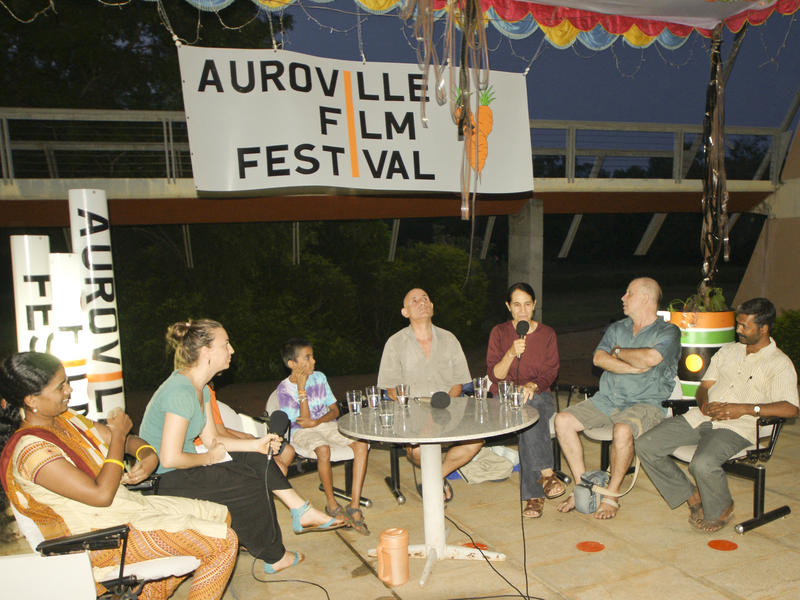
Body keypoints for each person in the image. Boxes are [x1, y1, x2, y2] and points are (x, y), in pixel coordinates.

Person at [0, 351, 237, 600]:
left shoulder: (65, 419)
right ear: (31, 400)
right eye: (60, 387)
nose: (69, 390)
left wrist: (147, 456)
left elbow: (128, 442)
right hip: (99, 539)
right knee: (223, 542)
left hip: (126, 510)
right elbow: (101, 494)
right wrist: (118, 437)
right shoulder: (32, 451)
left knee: (222, 517)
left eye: (66, 381)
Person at [139, 319, 343, 576]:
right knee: (250, 482)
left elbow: (214, 438)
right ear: (206, 352)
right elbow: (169, 458)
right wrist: (208, 460)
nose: (232, 350)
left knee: (257, 458)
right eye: (225, 344)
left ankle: (300, 511)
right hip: (164, 479)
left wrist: (256, 443)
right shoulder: (181, 390)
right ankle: (274, 555)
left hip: (181, 468)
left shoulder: (199, 388)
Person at [636, 298, 799, 532]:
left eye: (745, 326)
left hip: (740, 426)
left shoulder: (779, 363)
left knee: (702, 463)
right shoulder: (729, 351)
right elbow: (705, 386)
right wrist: (704, 405)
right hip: (702, 417)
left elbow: (791, 408)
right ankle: (692, 497)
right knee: (646, 445)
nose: (738, 330)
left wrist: (744, 408)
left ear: (764, 328)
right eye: (738, 324)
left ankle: (722, 507)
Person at [554, 277, 680, 519]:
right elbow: (598, 359)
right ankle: (585, 488)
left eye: (629, 293)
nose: (623, 298)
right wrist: (633, 367)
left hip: (645, 403)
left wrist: (619, 352)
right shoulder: (617, 328)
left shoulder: (668, 331)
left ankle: (611, 495)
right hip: (607, 400)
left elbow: (652, 358)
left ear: (645, 298)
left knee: (622, 429)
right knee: (563, 420)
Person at [377, 287, 481, 502]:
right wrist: (419, 415)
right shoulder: (395, 343)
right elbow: (390, 389)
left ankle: (435, 477)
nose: (422, 302)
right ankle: (437, 479)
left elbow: (458, 383)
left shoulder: (449, 339)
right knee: (416, 451)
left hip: (449, 408)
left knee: (476, 440)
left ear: (432, 306)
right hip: (412, 414)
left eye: (425, 298)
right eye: (414, 300)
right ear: (405, 312)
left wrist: (445, 408)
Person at [276, 338, 370, 535]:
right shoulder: (284, 389)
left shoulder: (320, 378)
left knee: (361, 443)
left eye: (312, 356)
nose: (313, 361)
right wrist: (301, 388)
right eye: (307, 358)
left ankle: (354, 504)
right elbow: (304, 420)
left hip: (325, 424)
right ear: (292, 364)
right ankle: (331, 503)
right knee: (323, 449)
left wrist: (319, 422)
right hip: (301, 432)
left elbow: (335, 410)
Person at [486, 282, 564, 519]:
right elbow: (495, 375)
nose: (522, 311)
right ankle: (547, 474)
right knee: (527, 412)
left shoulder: (547, 333)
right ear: (508, 307)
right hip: (506, 399)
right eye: (517, 305)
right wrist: (510, 352)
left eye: (527, 305)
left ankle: (533, 495)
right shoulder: (499, 333)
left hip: (540, 395)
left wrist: (533, 385)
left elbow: (551, 371)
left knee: (533, 408)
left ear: (535, 306)